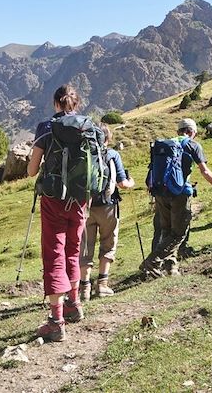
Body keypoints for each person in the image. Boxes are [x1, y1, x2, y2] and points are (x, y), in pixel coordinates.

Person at [27, 84, 92, 342]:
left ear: (56, 103)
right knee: (73, 251)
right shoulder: (90, 126)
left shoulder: (46, 127)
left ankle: (56, 321)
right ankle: (74, 304)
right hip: (80, 200)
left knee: (54, 252)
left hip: (54, 199)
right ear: (76, 104)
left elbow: (32, 171)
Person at [141, 118, 212, 277]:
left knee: (166, 230)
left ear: (178, 131)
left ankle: (171, 267)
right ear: (192, 132)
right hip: (179, 193)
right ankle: (153, 260)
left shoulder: (164, 144)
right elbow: (204, 171)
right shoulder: (192, 145)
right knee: (179, 232)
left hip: (160, 192)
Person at [79, 124, 134, 301]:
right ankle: (102, 285)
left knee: (85, 247)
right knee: (108, 244)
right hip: (108, 206)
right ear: (108, 139)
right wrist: (131, 182)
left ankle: (84, 289)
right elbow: (122, 184)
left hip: (85, 207)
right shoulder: (112, 154)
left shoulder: (83, 154)